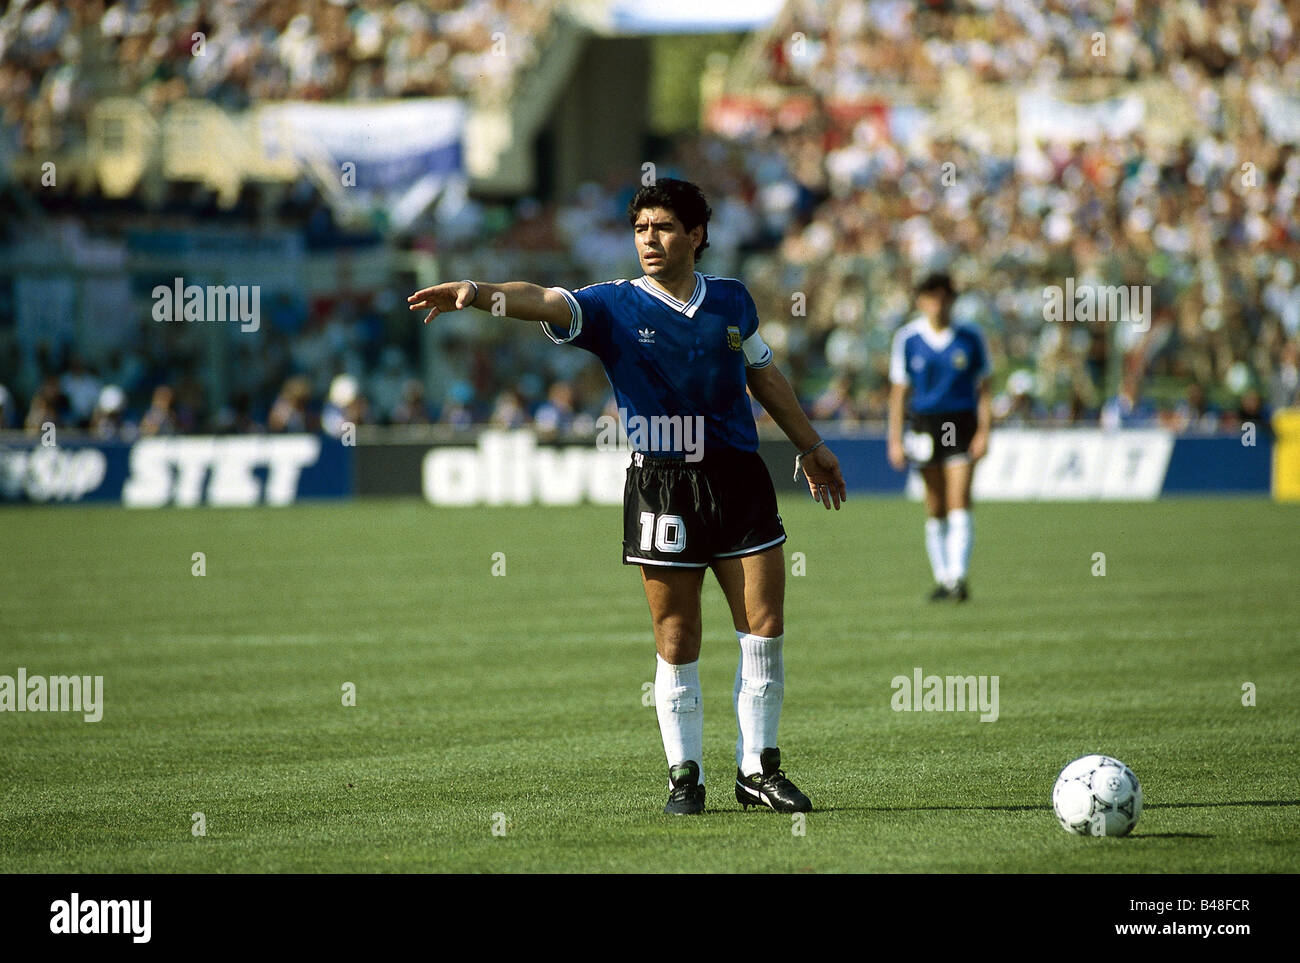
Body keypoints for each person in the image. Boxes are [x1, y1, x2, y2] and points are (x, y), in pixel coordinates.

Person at [409, 178, 846, 816]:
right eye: (641, 228)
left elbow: (761, 372)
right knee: (676, 634)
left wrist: (811, 446)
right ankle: (685, 776)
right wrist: (478, 293)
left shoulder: (731, 300)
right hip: (662, 483)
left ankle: (758, 769)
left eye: (664, 227)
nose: (649, 239)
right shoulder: (613, 306)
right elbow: (543, 299)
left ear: (696, 235)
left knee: (764, 627)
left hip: (738, 476)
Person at [887, 273, 991, 602]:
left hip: (961, 422)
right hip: (925, 424)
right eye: (931, 297)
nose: (938, 304)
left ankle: (958, 577)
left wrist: (985, 430)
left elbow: (985, 387)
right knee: (935, 504)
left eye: (944, 297)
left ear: (952, 300)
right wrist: (894, 438)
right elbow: (899, 392)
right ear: (921, 301)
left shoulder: (971, 336)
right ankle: (944, 577)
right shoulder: (908, 338)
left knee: (960, 497)